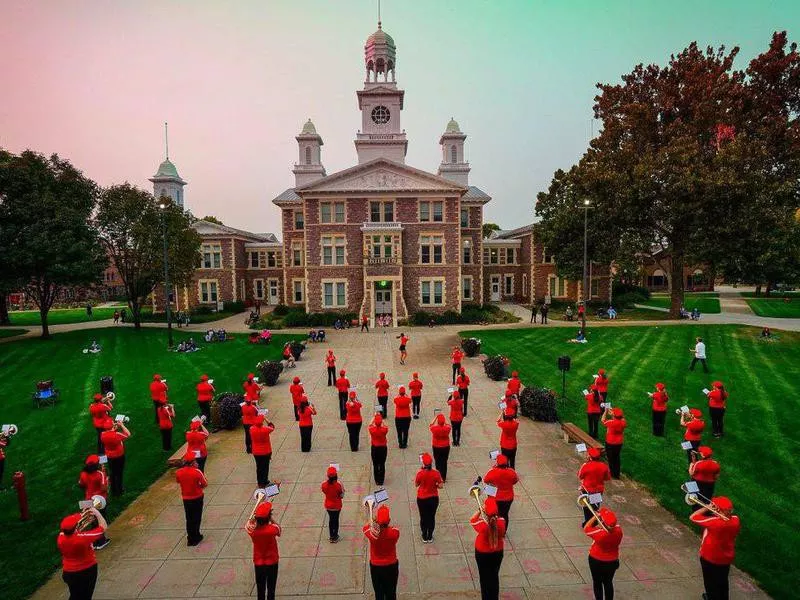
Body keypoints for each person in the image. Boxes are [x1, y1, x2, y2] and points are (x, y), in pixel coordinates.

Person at [690, 497, 741, 600]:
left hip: (710, 557)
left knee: (710, 583)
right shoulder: (736, 520)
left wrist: (707, 507)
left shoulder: (715, 522)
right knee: (722, 581)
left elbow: (693, 517)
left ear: (718, 509)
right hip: (726, 558)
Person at [57, 507, 108, 600]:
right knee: (86, 596)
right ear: (75, 528)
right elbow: (103, 527)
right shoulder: (82, 539)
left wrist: (84, 514)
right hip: (85, 571)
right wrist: (97, 513)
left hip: (68, 572)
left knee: (75, 595)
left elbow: (72, 531)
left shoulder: (60, 537)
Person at [471, 496, 506, 600]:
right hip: (498, 551)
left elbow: (472, 520)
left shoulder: (482, 524)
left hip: (482, 553)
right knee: (494, 575)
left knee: (484, 578)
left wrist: (479, 510)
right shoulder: (502, 522)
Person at [584, 507, 623, 600]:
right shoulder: (619, 531)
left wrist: (596, 516)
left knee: (597, 583)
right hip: (612, 561)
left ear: (603, 523)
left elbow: (586, 528)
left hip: (596, 560)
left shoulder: (600, 534)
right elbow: (614, 526)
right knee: (608, 582)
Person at [247, 499, 281, 600]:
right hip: (272, 561)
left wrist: (254, 517)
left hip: (258, 561)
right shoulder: (272, 529)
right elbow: (279, 528)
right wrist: (271, 519)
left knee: (260, 588)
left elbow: (249, 523)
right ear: (268, 517)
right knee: (271, 587)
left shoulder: (252, 530)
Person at [364, 504, 400, 600]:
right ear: (389, 520)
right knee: (391, 591)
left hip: (376, 566)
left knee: (378, 591)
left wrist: (374, 521)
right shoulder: (394, 532)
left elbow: (366, 527)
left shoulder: (372, 534)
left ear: (377, 520)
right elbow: (394, 529)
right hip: (391, 564)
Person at [77, 455, 110, 550]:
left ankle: (94, 542)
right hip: (99, 500)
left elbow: (81, 484)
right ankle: (101, 541)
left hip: (88, 500)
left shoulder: (83, 474)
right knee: (101, 519)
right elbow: (104, 488)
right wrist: (106, 478)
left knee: (92, 520)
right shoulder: (100, 474)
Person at [176, 452, 208, 546]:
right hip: (197, 497)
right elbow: (205, 484)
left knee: (189, 518)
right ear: (192, 462)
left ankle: (190, 537)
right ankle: (196, 535)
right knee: (197, 517)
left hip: (186, 498)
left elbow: (178, 481)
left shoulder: (179, 472)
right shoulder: (197, 472)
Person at [483, 454, 518, 531]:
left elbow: (486, 480)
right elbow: (515, 481)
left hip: (495, 497)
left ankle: (494, 531)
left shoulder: (492, 472)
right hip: (508, 498)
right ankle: (503, 531)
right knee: (505, 514)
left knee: (494, 514)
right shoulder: (511, 472)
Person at [415, 452, 443, 543]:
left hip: (422, 499)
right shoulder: (436, 473)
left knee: (423, 517)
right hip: (433, 498)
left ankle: (424, 535)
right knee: (431, 517)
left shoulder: (420, 473)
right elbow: (441, 486)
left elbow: (416, 484)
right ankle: (430, 536)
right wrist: (435, 485)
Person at [578, 447, 611, 526]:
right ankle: (595, 520)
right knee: (595, 506)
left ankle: (588, 523)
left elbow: (580, 476)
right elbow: (607, 478)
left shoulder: (586, 466)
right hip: (598, 490)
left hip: (587, 490)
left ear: (590, 457)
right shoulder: (604, 466)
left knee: (587, 507)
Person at [100, 421, 130, 496]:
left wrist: (113, 428)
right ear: (113, 426)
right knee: (119, 473)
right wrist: (122, 425)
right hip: (119, 456)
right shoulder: (116, 435)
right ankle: (119, 490)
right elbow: (128, 434)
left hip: (109, 456)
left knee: (112, 473)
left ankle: (113, 490)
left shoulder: (102, 435)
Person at [321, 466, 345, 543]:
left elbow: (324, 491)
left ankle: (331, 536)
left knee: (331, 520)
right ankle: (335, 536)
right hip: (337, 506)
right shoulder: (338, 485)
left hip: (328, 506)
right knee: (336, 520)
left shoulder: (324, 485)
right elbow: (341, 496)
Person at [601, 407, 626, 479]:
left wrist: (605, 411)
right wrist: (614, 413)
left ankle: (612, 473)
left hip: (610, 442)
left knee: (610, 458)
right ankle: (617, 473)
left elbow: (603, 420)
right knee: (617, 458)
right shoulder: (623, 422)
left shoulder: (611, 423)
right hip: (619, 443)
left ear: (614, 416)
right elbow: (622, 418)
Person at [251, 415, 275, 487]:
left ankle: (260, 482)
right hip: (265, 451)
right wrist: (265, 419)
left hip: (256, 451)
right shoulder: (266, 429)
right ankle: (264, 481)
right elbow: (272, 427)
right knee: (265, 467)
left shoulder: (252, 429)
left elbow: (253, 425)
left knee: (259, 467)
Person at [429, 413, 452, 481]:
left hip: (436, 446)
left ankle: (438, 477)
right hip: (445, 446)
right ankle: (443, 477)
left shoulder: (434, 429)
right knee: (444, 461)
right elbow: (448, 424)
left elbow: (431, 424)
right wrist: (444, 419)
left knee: (437, 461)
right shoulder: (447, 428)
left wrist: (436, 417)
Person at [369, 413, 389, 485]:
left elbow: (370, 424)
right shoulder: (384, 430)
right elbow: (385, 425)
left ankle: (377, 480)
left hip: (375, 448)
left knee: (375, 464)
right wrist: (381, 419)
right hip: (383, 448)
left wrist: (374, 418)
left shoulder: (372, 430)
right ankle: (381, 480)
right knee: (382, 464)